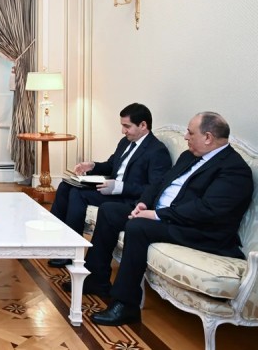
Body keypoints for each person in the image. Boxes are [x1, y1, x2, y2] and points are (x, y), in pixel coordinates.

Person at [72, 112, 253, 327]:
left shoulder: (233, 169)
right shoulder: (189, 156)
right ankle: (97, 280)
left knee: (138, 227)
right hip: (165, 215)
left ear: (208, 137)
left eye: (190, 133)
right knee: (110, 211)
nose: (185, 137)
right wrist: (143, 203)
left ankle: (125, 304)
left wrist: (157, 215)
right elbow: (159, 183)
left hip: (199, 231)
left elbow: (207, 210)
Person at [48, 103, 172, 267]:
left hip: (126, 198)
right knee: (65, 186)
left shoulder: (157, 151)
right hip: (110, 189)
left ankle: (71, 251)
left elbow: (153, 188)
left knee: (77, 194)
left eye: (127, 126)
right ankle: (54, 243)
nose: (123, 131)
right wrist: (92, 166)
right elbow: (111, 165)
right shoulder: (125, 142)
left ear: (143, 125)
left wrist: (120, 187)